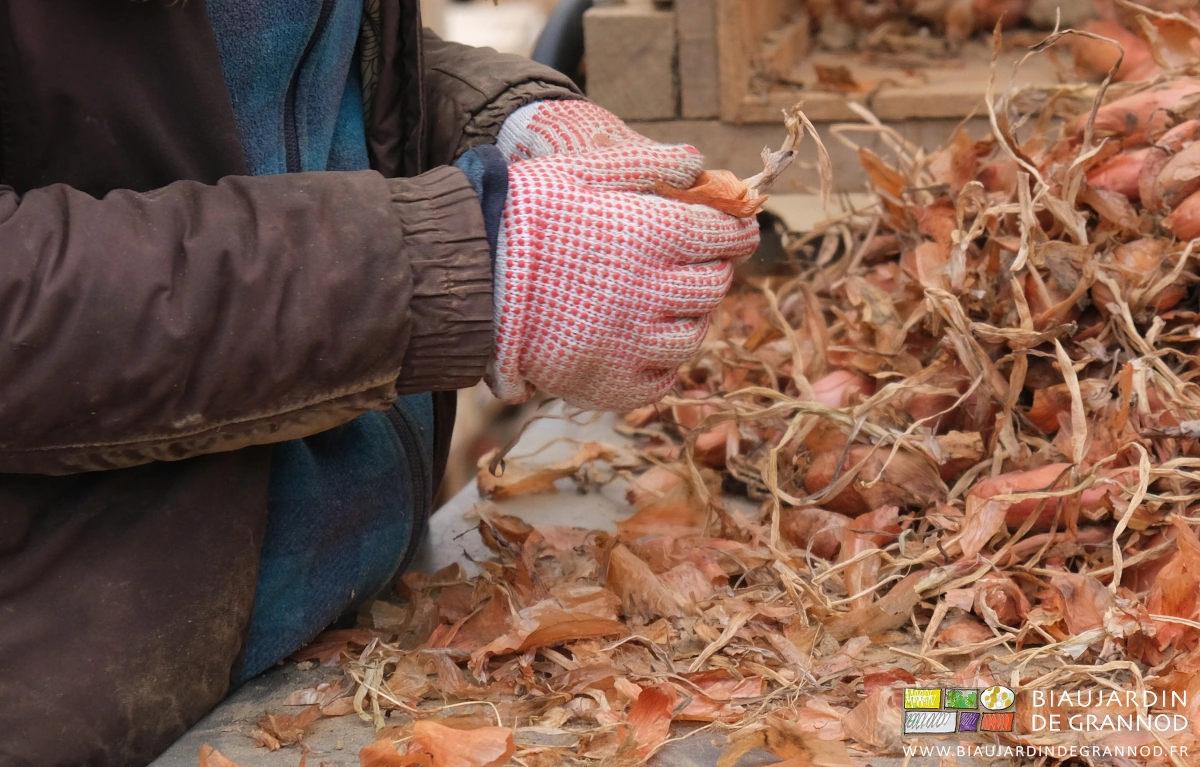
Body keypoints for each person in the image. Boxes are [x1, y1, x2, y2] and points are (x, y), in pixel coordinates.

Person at [0, 2, 758, 764]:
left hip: (363, 629)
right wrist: (449, 263)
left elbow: (302, 66)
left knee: (889, 727)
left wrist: (506, 118)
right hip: (89, 692)